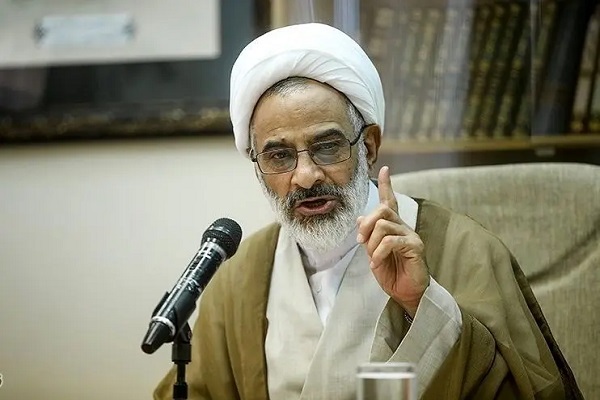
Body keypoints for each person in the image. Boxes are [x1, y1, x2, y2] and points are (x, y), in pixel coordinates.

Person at [154, 23, 582, 399]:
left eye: (327, 146)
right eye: (279, 155)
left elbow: (525, 388)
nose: (305, 176)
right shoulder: (239, 277)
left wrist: (422, 304)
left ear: (369, 146)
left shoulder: (467, 251)